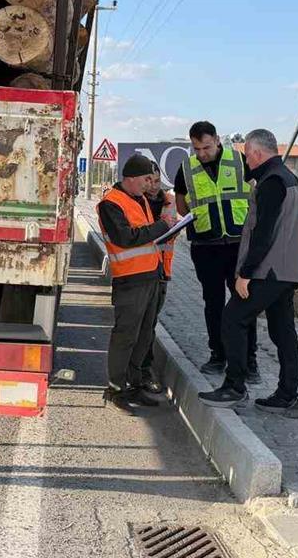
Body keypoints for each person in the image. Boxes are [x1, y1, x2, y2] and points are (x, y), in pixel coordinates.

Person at [198, 129, 298, 417]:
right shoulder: (290, 178)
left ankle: (234, 387)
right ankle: (287, 396)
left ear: (257, 153)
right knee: (283, 330)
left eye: (247, 155)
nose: (246, 161)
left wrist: (246, 273)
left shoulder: (272, 182)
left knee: (233, 317)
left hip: (269, 271)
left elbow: (264, 233)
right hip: (289, 271)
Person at [173, 121, 257, 380]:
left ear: (217, 140)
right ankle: (218, 355)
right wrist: (202, 222)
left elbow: (257, 196)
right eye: (197, 148)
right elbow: (181, 205)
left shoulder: (239, 161)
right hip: (205, 248)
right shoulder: (187, 168)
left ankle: (248, 361)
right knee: (213, 303)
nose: (202, 153)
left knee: (244, 303)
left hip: (238, 246)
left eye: (206, 147)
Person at [97, 154, 176, 413]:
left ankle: (134, 385)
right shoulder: (110, 203)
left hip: (150, 276)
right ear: (130, 179)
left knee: (144, 336)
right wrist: (160, 227)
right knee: (125, 336)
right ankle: (116, 389)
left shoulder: (139, 198)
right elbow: (125, 238)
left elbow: (148, 229)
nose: (149, 185)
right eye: (145, 179)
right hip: (130, 281)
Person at [139, 161, 177, 394]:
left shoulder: (169, 201)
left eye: (156, 180)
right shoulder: (134, 202)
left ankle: (145, 370)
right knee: (137, 326)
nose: (153, 186)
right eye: (148, 181)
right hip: (138, 273)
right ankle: (134, 373)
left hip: (161, 273)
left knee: (150, 325)